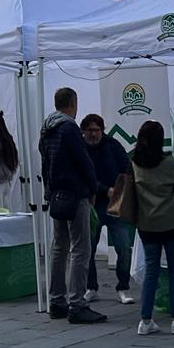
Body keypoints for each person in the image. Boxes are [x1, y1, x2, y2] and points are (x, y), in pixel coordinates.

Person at [39, 88, 106, 324]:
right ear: (73, 103)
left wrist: (49, 191)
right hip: (75, 193)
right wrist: (92, 188)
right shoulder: (69, 128)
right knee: (80, 249)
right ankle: (77, 303)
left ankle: (56, 301)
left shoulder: (47, 128)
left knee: (59, 247)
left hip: (56, 194)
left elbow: (45, 163)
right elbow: (83, 160)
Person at [133, 120, 174, 336]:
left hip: (146, 224)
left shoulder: (135, 162)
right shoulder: (167, 162)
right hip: (171, 222)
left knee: (151, 271)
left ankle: (145, 320)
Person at [81, 113, 134, 305]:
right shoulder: (79, 149)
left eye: (97, 130)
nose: (93, 134)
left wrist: (119, 190)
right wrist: (104, 189)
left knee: (124, 248)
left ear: (103, 130)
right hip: (91, 205)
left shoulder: (113, 146)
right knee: (88, 250)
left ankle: (123, 287)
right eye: (89, 130)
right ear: (83, 131)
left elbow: (127, 169)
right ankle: (91, 287)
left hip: (115, 205)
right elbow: (81, 176)